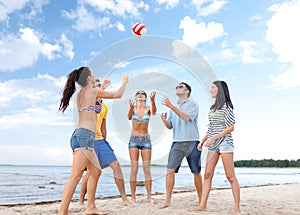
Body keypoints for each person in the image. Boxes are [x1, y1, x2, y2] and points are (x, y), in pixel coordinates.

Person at [58, 66, 128, 215]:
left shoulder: (82, 93)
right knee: (75, 176)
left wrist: (102, 87)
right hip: (84, 136)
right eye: (93, 74)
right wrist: (124, 82)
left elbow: (96, 98)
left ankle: (90, 207)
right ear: (89, 78)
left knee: (95, 171)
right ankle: (62, 212)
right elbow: (118, 94)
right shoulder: (92, 92)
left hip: (82, 136)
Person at [189, 80, 241, 215]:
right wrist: (203, 140)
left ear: (220, 90)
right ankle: (202, 205)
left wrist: (214, 138)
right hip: (212, 144)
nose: (211, 90)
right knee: (207, 174)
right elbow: (212, 127)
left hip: (225, 143)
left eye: (213, 88)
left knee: (230, 177)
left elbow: (231, 127)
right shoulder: (213, 108)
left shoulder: (227, 107)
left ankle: (237, 209)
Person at [78, 79, 131, 206]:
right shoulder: (88, 101)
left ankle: (124, 198)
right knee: (91, 172)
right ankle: (80, 199)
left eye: (99, 87)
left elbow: (103, 126)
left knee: (116, 166)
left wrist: (104, 142)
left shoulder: (105, 107)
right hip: (88, 140)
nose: (98, 89)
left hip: (100, 140)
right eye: (97, 87)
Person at [160, 82, 202, 209]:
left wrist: (172, 107)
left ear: (187, 91)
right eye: (176, 86)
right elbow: (170, 126)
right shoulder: (173, 107)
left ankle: (201, 200)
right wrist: (164, 120)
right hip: (177, 143)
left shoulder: (193, 104)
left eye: (181, 86)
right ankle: (167, 200)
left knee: (196, 172)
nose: (177, 87)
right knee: (170, 170)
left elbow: (187, 118)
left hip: (192, 141)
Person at [127, 90, 157, 203]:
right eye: (138, 94)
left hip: (146, 140)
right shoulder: (133, 108)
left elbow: (154, 113)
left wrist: (153, 100)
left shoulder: (148, 108)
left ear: (145, 98)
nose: (140, 94)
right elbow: (129, 117)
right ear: (136, 98)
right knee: (134, 168)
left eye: (142, 94)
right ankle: (133, 197)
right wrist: (130, 107)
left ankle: (149, 197)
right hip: (133, 139)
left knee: (146, 169)